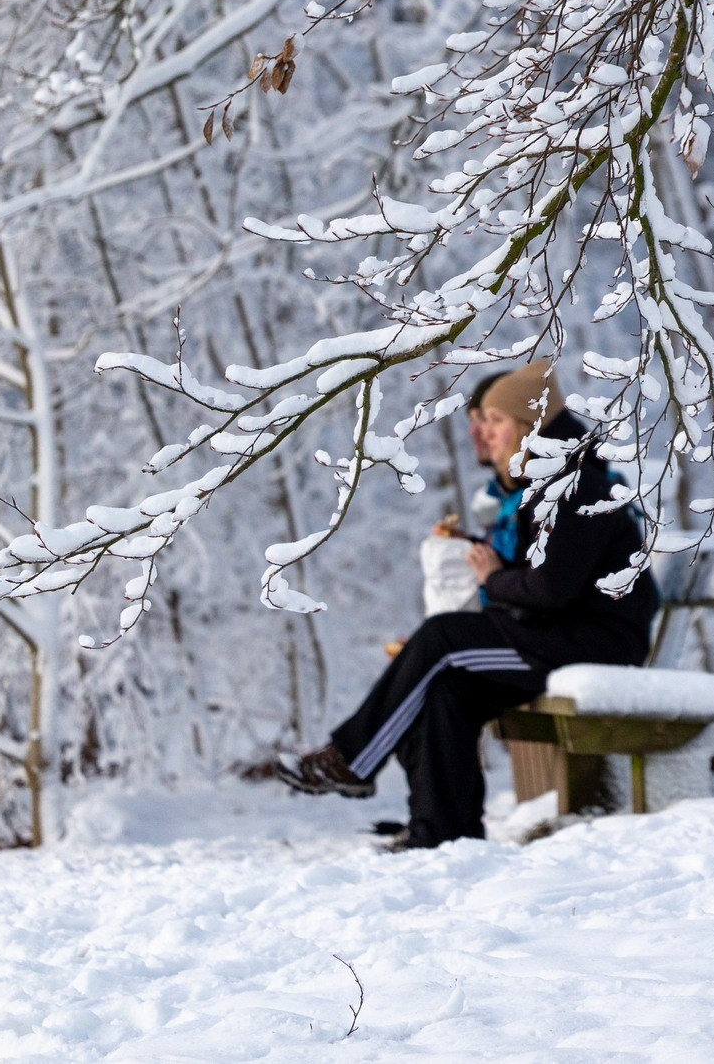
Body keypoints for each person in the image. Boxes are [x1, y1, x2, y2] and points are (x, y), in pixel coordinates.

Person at [255, 360, 656, 850]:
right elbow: (545, 578)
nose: (483, 432)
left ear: (531, 427)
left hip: (595, 645)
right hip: (564, 636)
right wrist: (489, 564)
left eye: (496, 420)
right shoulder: (552, 485)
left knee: (441, 640)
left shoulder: (575, 487)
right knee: (446, 684)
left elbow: (550, 589)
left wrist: (494, 576)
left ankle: (351, 760)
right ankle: (441, 832)